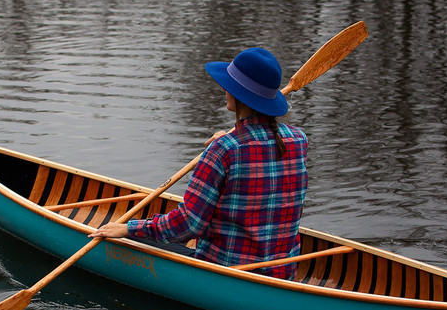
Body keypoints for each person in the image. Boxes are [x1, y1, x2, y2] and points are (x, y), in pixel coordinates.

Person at [89, 47, 309, 280]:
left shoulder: (224, 150)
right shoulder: (298, 140)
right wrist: (227, 139)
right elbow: (258, 150)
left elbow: (188, 225)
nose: (224, 89)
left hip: (227, 272)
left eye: (228, 85)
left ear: (236, 93)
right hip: (284, 270)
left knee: (154, 240)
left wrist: (129, 229)